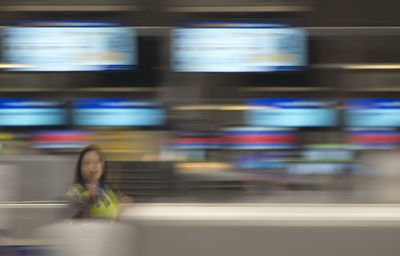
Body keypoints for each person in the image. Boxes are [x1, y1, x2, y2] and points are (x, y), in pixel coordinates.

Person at [65, 144, 131, 220]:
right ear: (80, 168)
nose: (92, 166)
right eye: (87, 163)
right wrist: (88, 200)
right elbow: (74, 223)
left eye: (97, 162)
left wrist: (122, 208)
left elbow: (113, 221)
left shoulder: (108, 191)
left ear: (102, 165)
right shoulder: (75, 191)